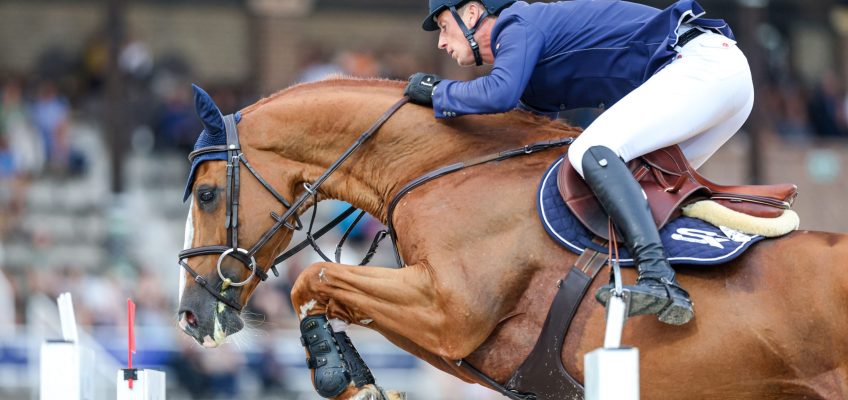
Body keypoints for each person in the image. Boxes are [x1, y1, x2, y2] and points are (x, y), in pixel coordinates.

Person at [404, 0, 755, 325]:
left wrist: (438, 92)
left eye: (443, 26)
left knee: (591, 150)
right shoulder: (528, 66)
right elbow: (521, 132)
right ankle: (685, 282)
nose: (440, 42)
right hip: (722, 80)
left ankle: (658, 277)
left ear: (471, 14)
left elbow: (498, 93)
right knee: (640, 183)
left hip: (702, 66)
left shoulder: (517, 23)